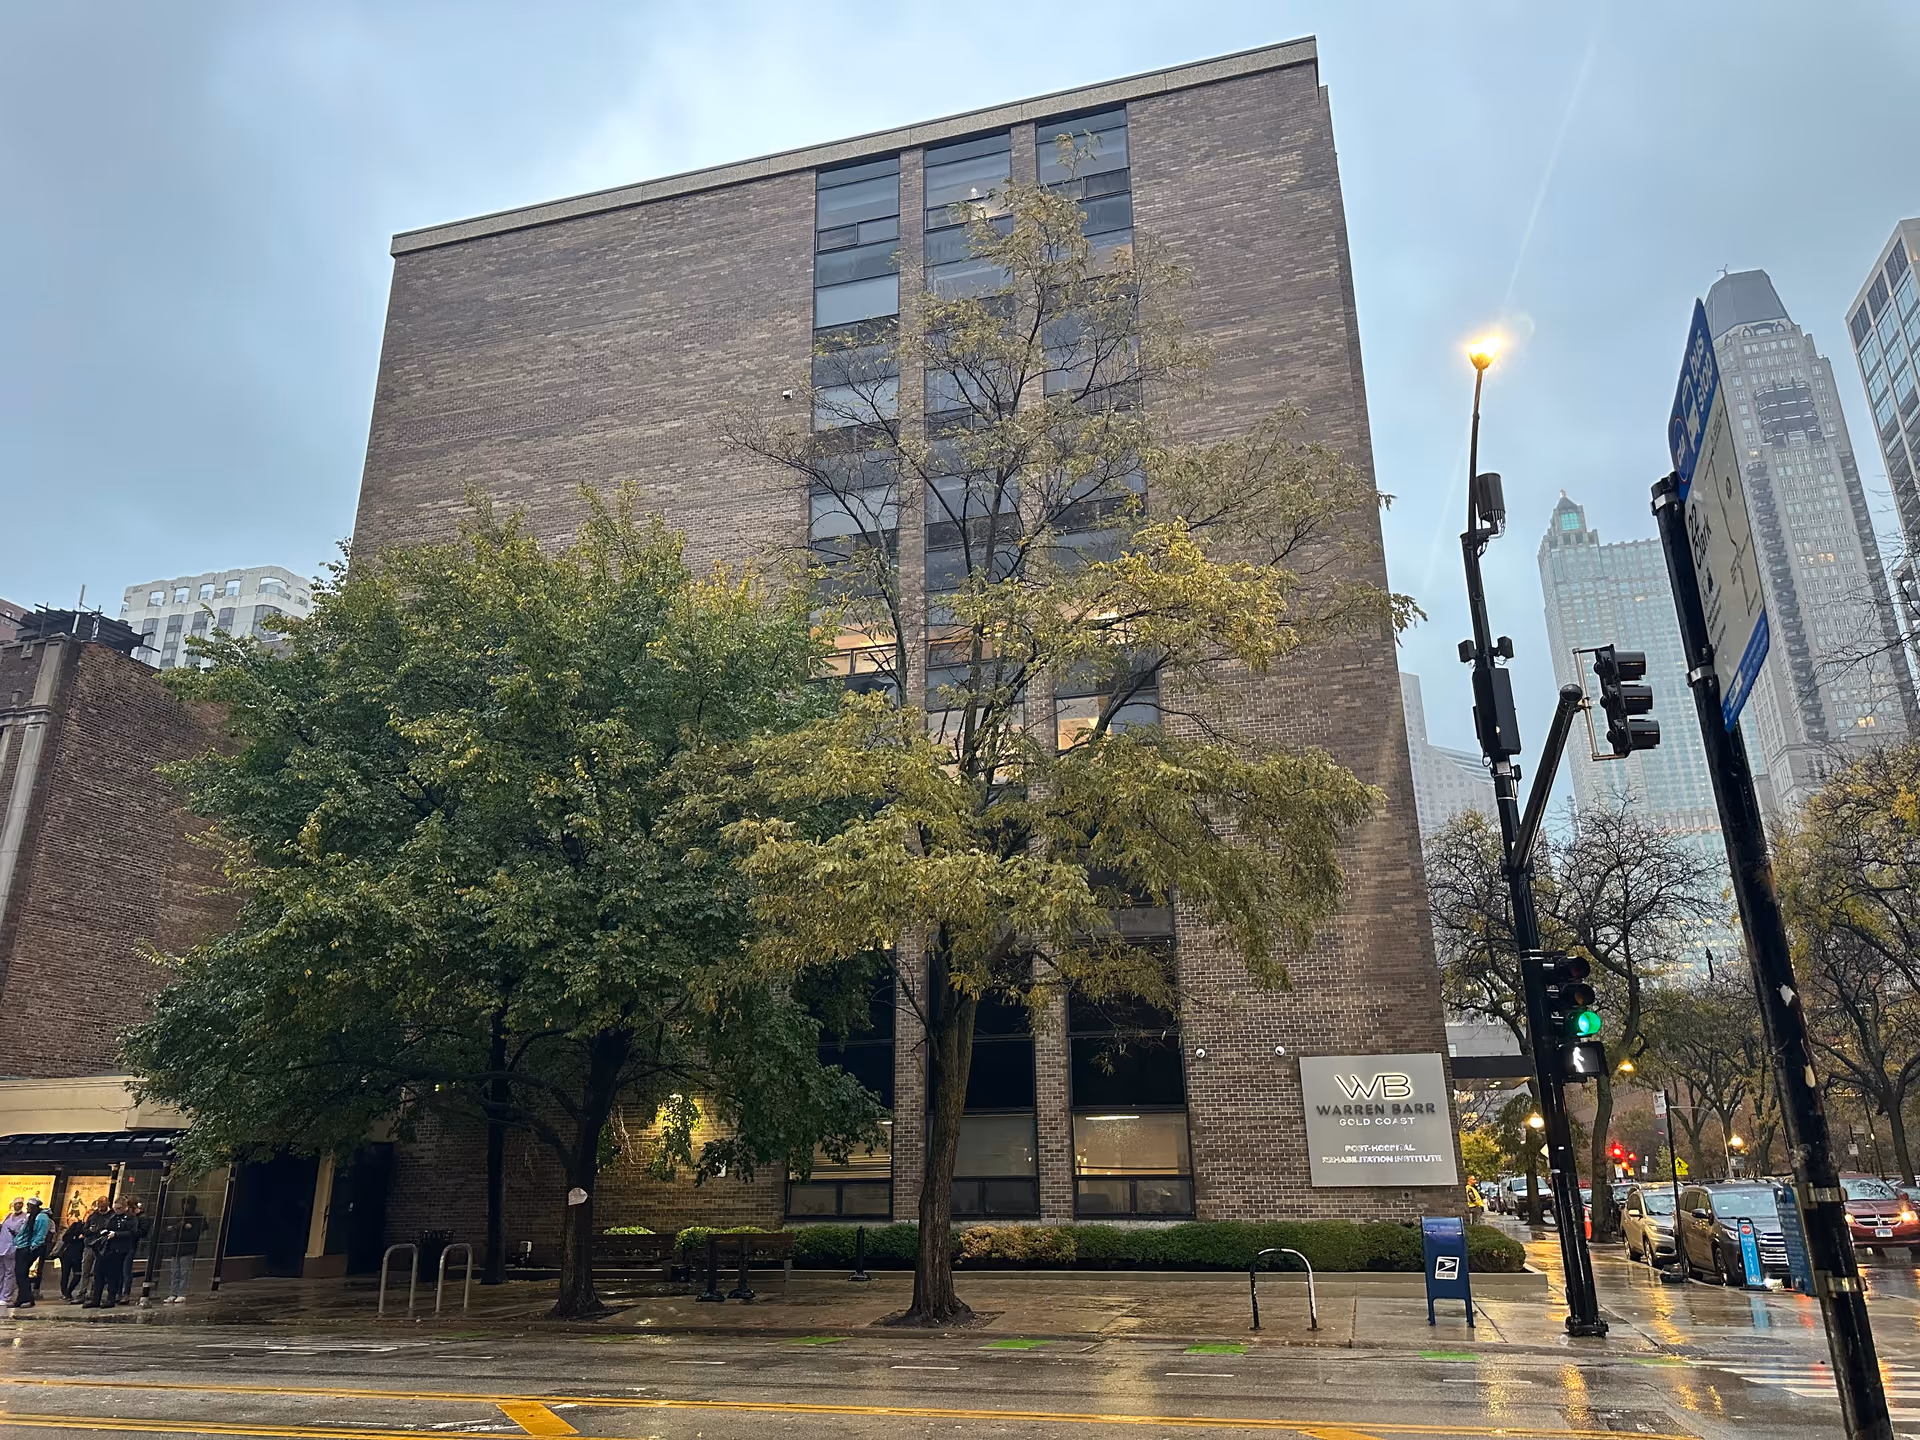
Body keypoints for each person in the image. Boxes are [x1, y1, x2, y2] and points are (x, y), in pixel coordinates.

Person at [84, 1199, 137, 1309]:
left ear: (125, 1208)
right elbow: (105, 1227)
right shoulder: (112, 1217)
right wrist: (104, 1231)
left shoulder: (130, 1218)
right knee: (98, 1274)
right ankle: (96, 1299)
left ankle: (110, 1299)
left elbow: (133, 1233)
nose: (117, 1211)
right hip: (106, 1249)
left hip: (119, 1250)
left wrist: (116, 1234)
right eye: (115, 1208)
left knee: (112, 1276)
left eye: (119, 1209)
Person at [165, 1197, 208, 1304]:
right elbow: (171, 1229)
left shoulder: (197, 1217)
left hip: (188, 1247)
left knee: (184, 1271)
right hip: (177, 1246)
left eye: (188, 1204)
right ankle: (174, 1293)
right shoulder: (180, 1216)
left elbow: (198, 1231)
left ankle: (181, 1293)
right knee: (175, 1272)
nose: (186, 1206)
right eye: (184, 1204)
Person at [14, 1198, 50, 1307]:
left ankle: (28, 1299)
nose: (27, 1207)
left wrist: (33, 1247)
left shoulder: (42, 1217)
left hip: (29, 1248)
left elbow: (40, 1234)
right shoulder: (31, 1217)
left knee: (22, 1273)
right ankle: (21, 1298)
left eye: (29, 1206)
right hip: (22, 1246)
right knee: (20, 1274)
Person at [75, 1198, 108, 1303]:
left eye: (103, 1206)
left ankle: (93, 1293)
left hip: (101, 1246)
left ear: (107, 1204)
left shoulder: (111, 1216)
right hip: (89, 1244)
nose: (101, 1208)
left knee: (96, 1271)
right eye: (99, 1206)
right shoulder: (93, 1216)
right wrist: (89, 1230)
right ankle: (82, 1292)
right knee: (85, 1270)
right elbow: (84, 1230)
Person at [55, 1208, 89, 1302]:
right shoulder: (76, 1225)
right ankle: (64, 1293)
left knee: (77, 1274)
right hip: (68, 1254)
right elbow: (66, 1237)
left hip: (79, 1255)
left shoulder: (91, 1229)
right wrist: (77, 1238)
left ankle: (69, 1291)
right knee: (65, 1274)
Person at [0, 1199, 22, 1308]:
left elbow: (20, 1231)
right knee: (1, 1272)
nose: (17, 1206)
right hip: (2, 1246)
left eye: (20, 1204)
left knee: (9, 1273)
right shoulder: (8, 1216)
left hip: (12, 1247)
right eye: (16, 1204)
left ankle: (6, 1296)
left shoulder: (25, 1217)